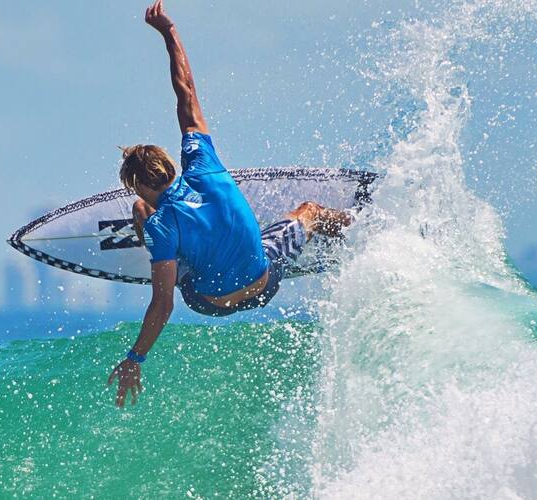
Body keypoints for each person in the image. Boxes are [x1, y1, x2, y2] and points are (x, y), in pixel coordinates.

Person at [107, 0, 355, 407]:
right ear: (170, 165)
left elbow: (164, 304)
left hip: (209, 304)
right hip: (265, 283)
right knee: (309, 213)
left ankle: (166, 260)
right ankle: (357, 224)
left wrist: (135, 359)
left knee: (143, 220)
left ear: (139, 186)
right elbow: (185, 93)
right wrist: (169, 32)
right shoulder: (202, 163)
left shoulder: (159, 224)